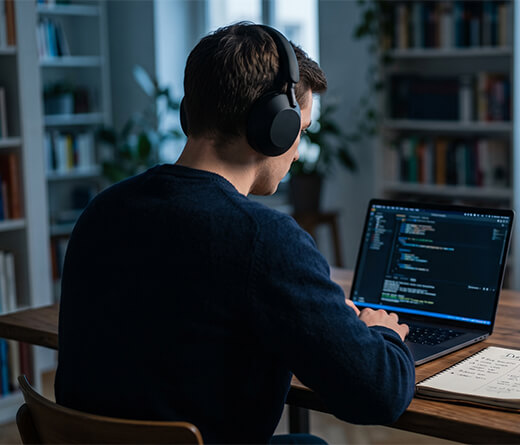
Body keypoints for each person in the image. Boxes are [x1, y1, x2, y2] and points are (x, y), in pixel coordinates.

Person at [55, 23, 415, 444]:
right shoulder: (263, 238)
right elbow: (379, 394)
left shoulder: (103, 210)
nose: (298, 150)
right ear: (272, 126)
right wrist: (381, 332)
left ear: (190, 111)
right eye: (301, 130)